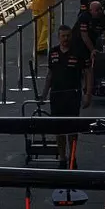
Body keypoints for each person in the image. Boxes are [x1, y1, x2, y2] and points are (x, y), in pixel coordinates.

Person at [41, 26, 92, 168]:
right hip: (56, 95)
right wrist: (43, 95)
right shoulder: (53, 52)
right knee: (59, 129)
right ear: (58, 37)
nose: (65, 39)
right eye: (63, 36)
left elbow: (88, 72)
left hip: (73, 95)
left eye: (68, 36)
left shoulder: (79, 52)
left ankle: (72, 157)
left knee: (72, 129)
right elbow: (50, 75)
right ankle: (62, 158)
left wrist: (88, 94)